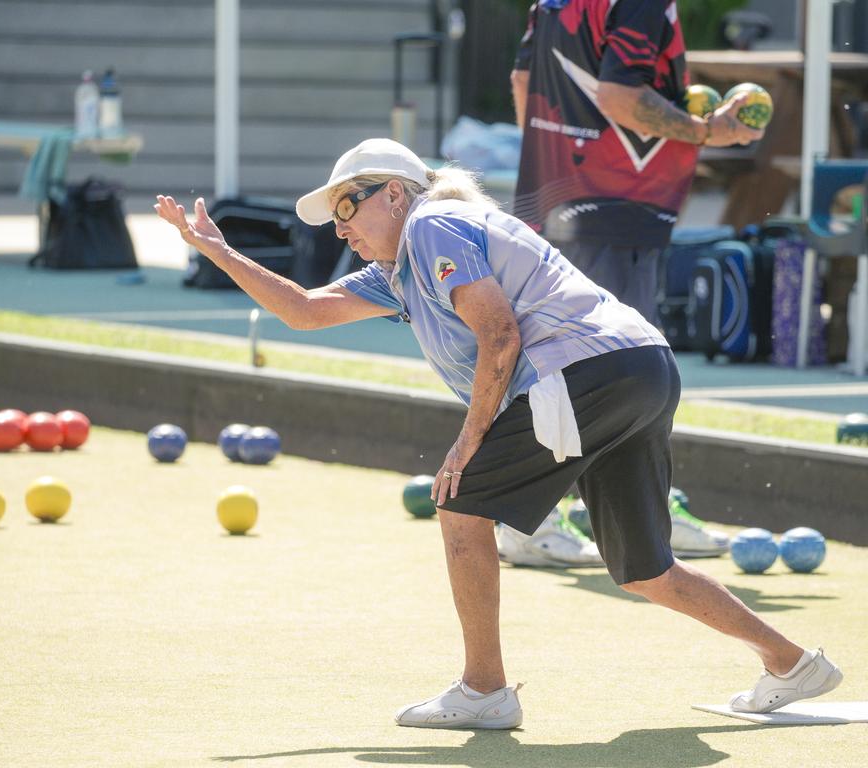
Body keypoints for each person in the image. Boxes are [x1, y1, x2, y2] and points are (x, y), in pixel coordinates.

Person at [154, 138, 842, 729]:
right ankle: (791, 664)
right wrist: (218, 250)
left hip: (584, 372)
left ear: (395, 193)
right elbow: (305, 311)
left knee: (460, 503)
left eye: (345, 206)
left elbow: (500, 334)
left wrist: (466, 442)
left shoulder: (432, 226)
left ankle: (484, 691)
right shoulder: (401, 269)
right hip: (642, 368)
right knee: (644, 570)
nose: (338, 228)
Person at [510, 0, 761, 324]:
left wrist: (548, 153)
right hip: (618, 212)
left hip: (547, 208)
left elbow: (522, 80)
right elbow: (620, 96)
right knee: (625, 361)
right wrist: (707, 131)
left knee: (557, 355)